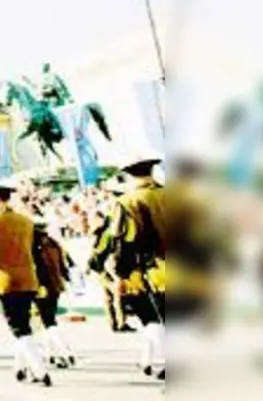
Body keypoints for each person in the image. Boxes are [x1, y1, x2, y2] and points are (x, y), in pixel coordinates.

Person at [98, 156, 167, 381]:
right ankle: (149, 361)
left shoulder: (128, 203)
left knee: (152, 319)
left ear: (129, 176)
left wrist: (120, 274)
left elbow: (124, 242)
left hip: (153, 270)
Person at [0, 178, 51, 386]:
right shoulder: (27, 221)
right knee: (23, 322)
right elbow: (38, 254)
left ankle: (39, 370)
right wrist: (43, 280)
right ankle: (20, 367)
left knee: (18, 327)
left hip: (5, 280)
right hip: (28, 278)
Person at [32, 214, 77, 370]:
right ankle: (50, 353)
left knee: (48, 321)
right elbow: (66, 265)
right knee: (48, 319)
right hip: (56, 285)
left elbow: (40, 267)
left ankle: (65, 352)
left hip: (42, 286)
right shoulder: (54, 243)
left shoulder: (34, 246)